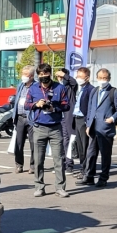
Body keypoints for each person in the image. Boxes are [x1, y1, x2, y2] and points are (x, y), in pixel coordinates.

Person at [24, 63, 70, 198]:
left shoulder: (59, 88)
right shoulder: (33, 89)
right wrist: (35, 104)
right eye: (41, 75)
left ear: (50, 73)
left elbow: (66, 105)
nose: (43, 77)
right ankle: (39, 187)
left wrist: (54, 108)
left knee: (59, 159)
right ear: (38, 75)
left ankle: (60, 188)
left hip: (55, 127)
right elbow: (26, 105)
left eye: (46, 74)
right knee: (38, 159)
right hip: (39, 127)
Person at [78, 68, 117, 187]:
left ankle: (103, 178)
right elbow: (90, 108)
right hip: (93, 128)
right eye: (100, 78)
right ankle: (89, 176)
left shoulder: (114, 92)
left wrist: (112, 119)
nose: (102, 80)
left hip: (106, 129)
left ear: (109, 79)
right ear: (97, 78)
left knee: (105, 155)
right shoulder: (94, 91)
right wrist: (88, 125)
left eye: (105, 78)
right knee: (91, 153)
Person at [13, 65, 37, 174]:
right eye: (23, 74)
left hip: (31, 118)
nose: (23, 77)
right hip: (20, 117)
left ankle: (33, 166)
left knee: (33, 143)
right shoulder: (20, 85)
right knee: (18, 143)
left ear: (31, 76)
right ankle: (19, 165)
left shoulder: (36, 86)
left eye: (26, 75)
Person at [71, 67, 92, 179]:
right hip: (76, 118)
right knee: (80, 148)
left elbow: (90, 108)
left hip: (84, 120)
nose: (78, 78)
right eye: (77, 76)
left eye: (80, 76)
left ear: (87, 78)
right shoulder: (79, 89)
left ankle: (86, 171)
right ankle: (82, 169)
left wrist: (88, 123)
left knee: (85, 147)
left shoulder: (90, 89)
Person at [56, 67, 78, 173]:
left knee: (70, 140)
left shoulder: (71, 87)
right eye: (58, 76)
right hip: (59, 116)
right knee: (63, 141)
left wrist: (64, 75)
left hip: (69, 116)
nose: (59, 78)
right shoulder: (57, 87)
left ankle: (69, 165)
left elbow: (73, 82)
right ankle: (63, 164)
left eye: (61, 76)